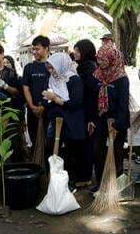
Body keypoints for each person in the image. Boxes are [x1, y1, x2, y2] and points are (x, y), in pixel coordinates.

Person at [41, 53, 86, 189]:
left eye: (53, 68)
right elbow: (48, 102)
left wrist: (55, 99)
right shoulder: (53, 80)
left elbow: (75, 103)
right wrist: (49, 100)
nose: (51, 71)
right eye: (49, 68)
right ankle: (55, 181)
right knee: (54, 150)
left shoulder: (74, 80)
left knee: (71, 152)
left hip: (71, 122)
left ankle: (71, 182)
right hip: (56, 120)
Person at [89, 45, 130, 192]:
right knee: (97, 151)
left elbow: (123, 104)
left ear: (113, 59)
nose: (100, 62)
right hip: (101, 119)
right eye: (99, 59)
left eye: (104, 59)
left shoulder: (121, 79)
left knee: (117, 152)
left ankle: (117, 184)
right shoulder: (98, 75)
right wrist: (93, 119)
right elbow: (94, 100)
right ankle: (101, 182)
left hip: (117, 120)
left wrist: (117, 125)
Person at [73, 39, 98, 187]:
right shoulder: (82, 66)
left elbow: (90, 95)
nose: (75, 53)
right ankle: (83, 175)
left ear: (85, 52)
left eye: (77, 51)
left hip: (88, 112)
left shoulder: (89, 68)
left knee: (87, 145)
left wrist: (91, 118)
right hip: (82, 112)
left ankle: (86, 176)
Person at [22, 35, 51, 148]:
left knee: (49, 141)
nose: (34, 52)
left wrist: (44, 106)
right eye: (33, 49)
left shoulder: (52, 66)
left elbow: (54, 88)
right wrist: (32, 106)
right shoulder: (29, 67)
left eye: (37, 49)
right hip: (32, 110)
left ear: (46, 49)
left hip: (49, 110)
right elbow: (26, 88)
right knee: (34, 139)